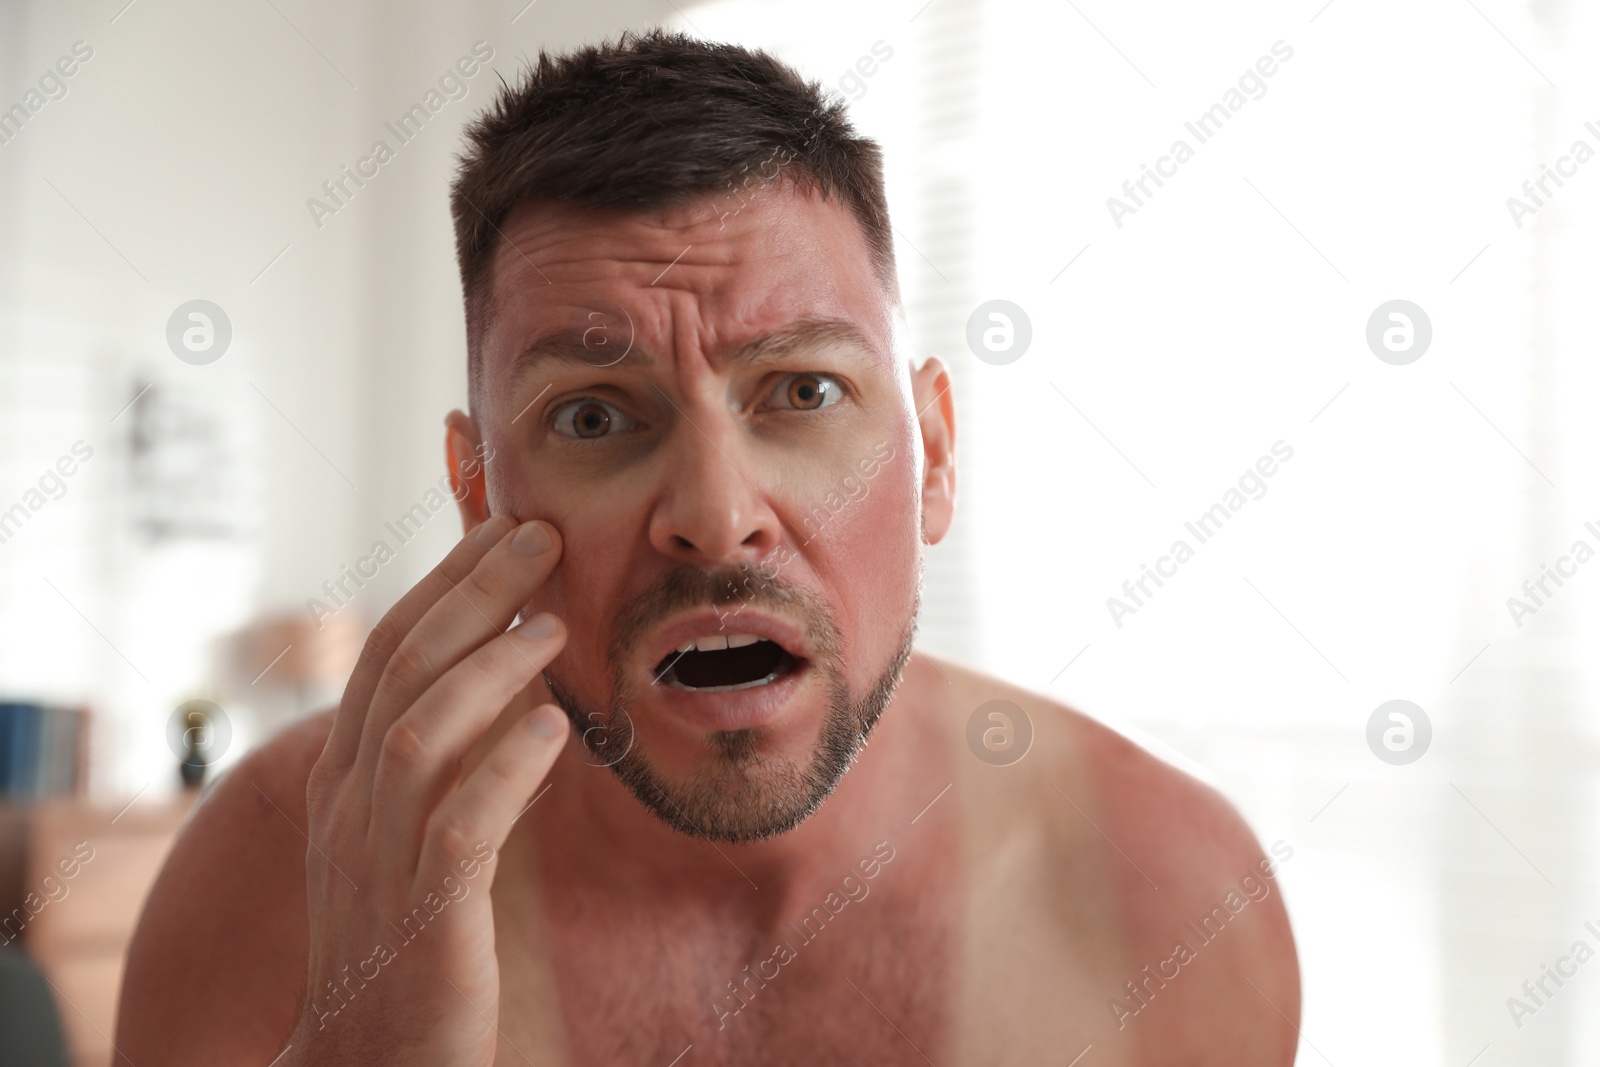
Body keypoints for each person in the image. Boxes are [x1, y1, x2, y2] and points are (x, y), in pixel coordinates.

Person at [114, 29, 1299, 1066]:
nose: (715, 512)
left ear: (934, 454)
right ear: (479, 497)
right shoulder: (279, 876)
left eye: (801, 390)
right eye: (591, 415)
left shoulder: (1175, 894)